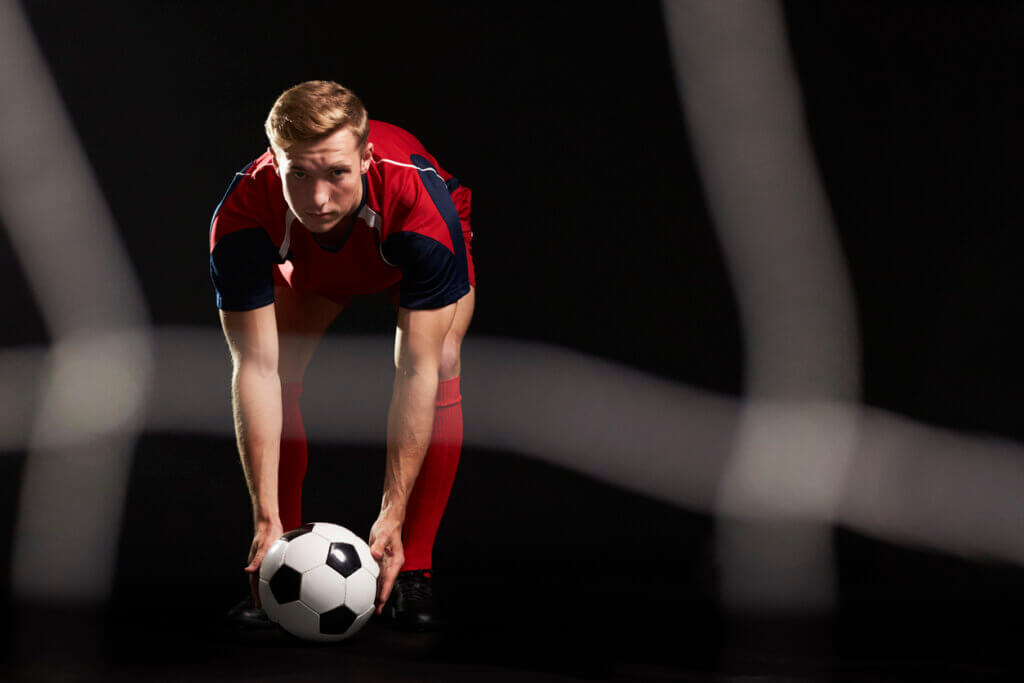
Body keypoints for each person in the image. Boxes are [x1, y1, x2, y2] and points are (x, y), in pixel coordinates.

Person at [209, 80, 475, 631]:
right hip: (315, 255)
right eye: (298, 175)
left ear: (366, 156)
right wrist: (265, 516)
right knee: (279, 367)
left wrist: (392, 512)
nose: (319, 198)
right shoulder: (241, 217)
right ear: (273, 161)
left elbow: (415, 370)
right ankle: (277, 556)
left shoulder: (422, 209)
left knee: (441, 361)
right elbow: (253, 369)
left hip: (400, 240)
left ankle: (413, 571)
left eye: (336, 172)